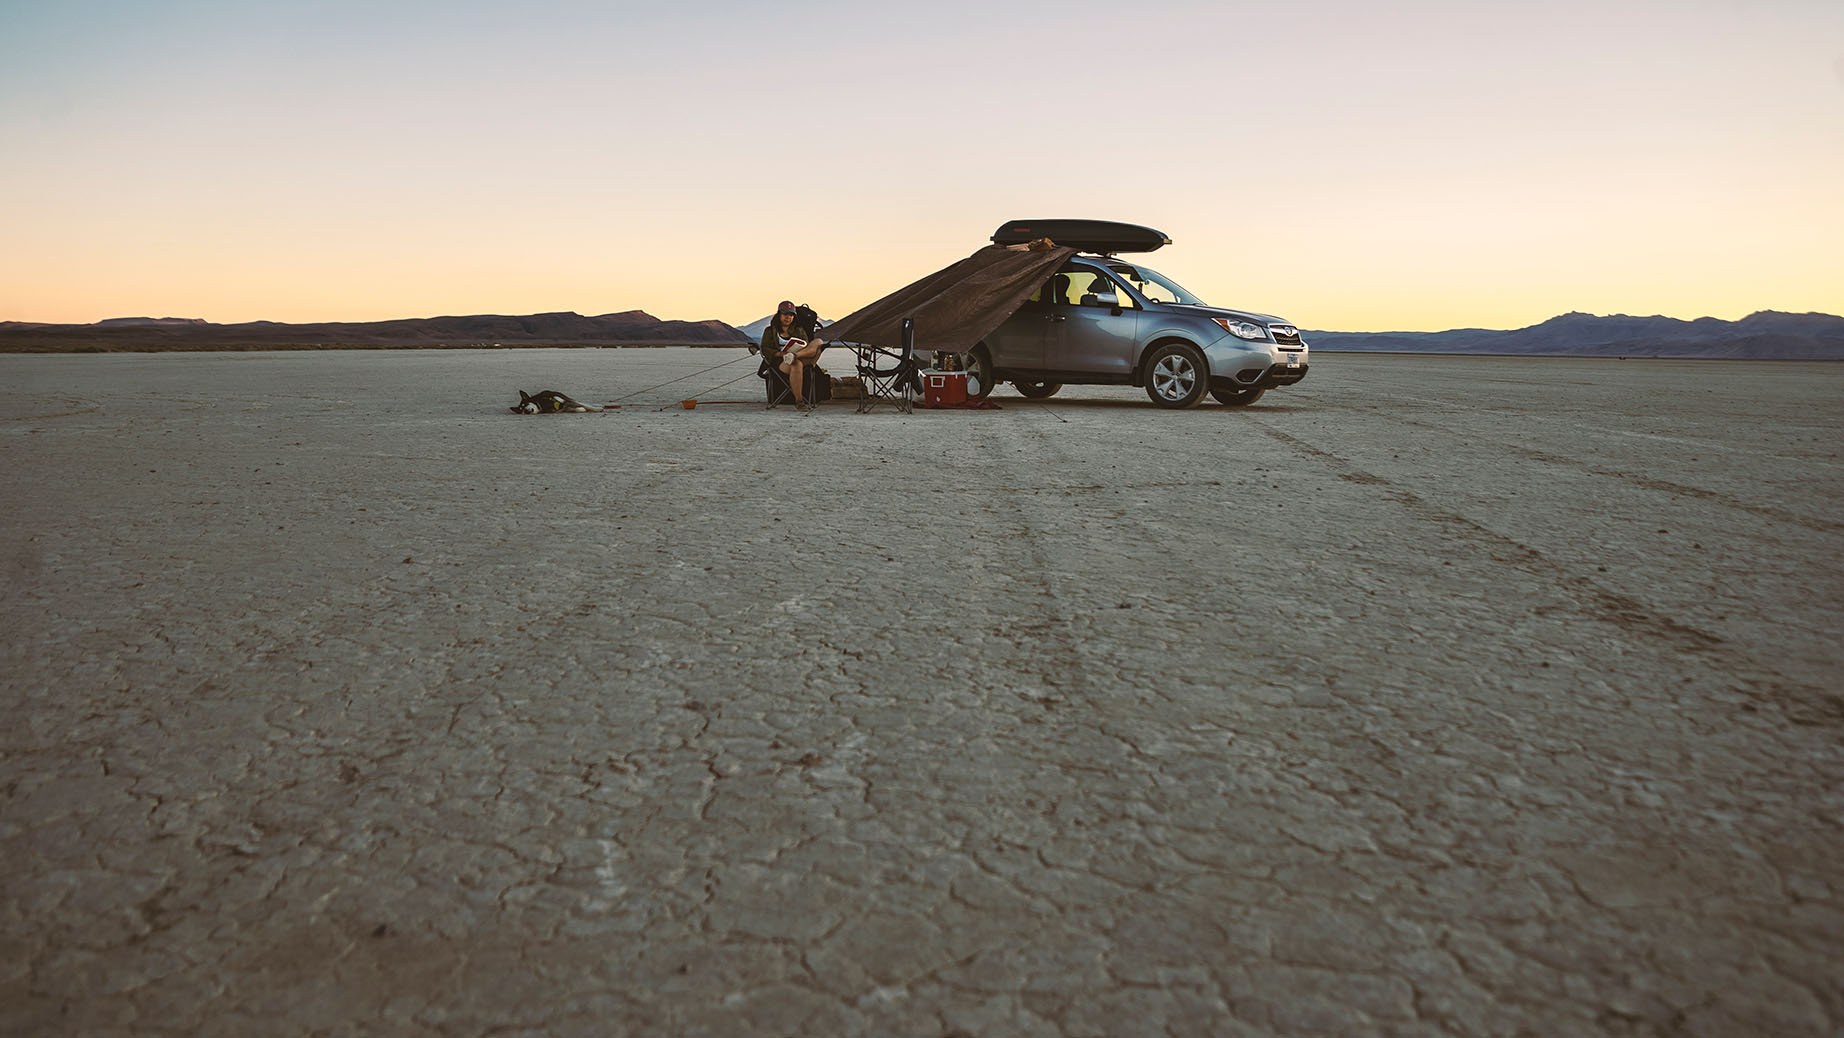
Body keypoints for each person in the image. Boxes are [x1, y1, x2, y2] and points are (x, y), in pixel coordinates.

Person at [759, 300, 825, 410]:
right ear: (779, 314)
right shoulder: (770, 331)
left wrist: (797, 351)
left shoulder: (799, 330)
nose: (788, 317)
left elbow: (806, 345)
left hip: (800, 355)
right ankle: (799, 401)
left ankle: (796, 356)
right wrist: (780, 353)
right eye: (785, 314)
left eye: (791, 315)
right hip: (781, 361)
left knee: (819, 342)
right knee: (796, 364)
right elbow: (765, 349)